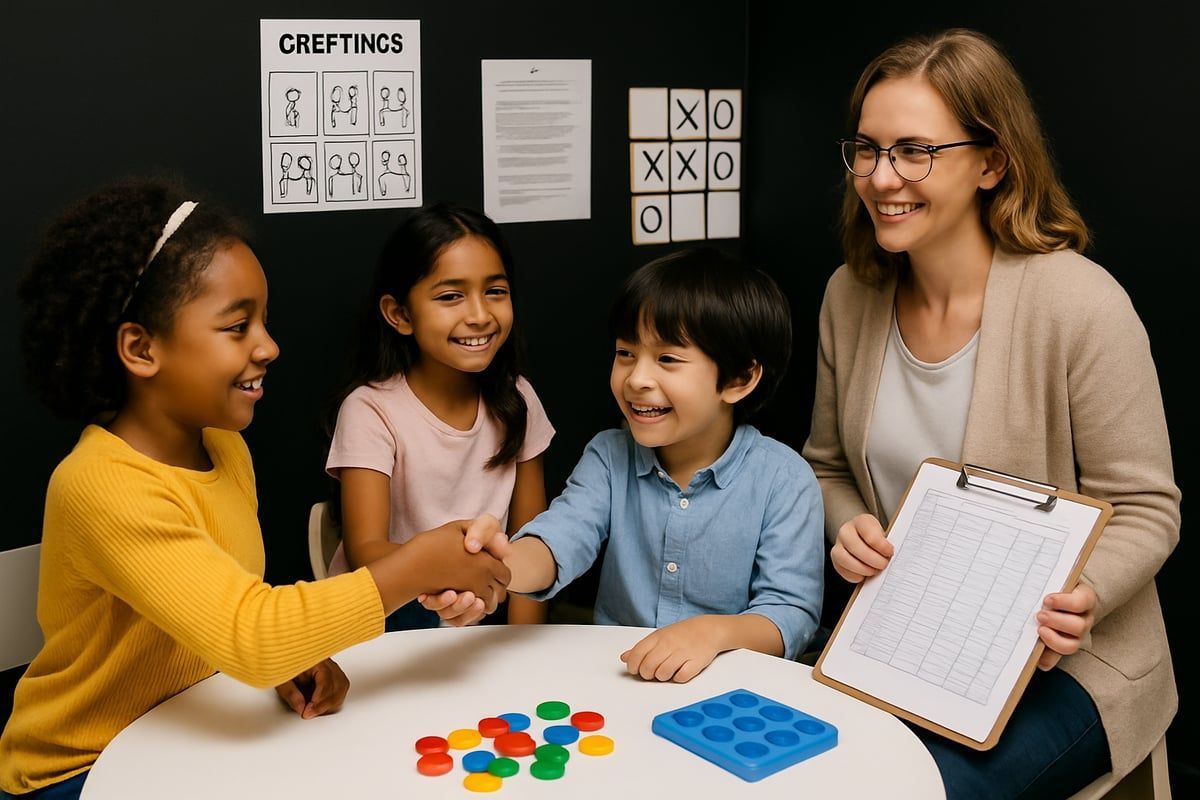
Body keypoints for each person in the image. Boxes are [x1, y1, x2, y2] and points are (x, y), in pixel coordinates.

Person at [0, 182, 510, 799]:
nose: (268, 346)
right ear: (141, 348)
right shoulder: (100, 485)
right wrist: (415, 566)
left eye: (263, 322)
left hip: (185, 739)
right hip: (83, 768)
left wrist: (294, 656)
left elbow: (222, 608)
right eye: (238, 326)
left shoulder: (224, 447)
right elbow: (250, 632)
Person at [803, 28, 1180, 798]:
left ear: (990, 163)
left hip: (1071, 663)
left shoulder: (1081, 304)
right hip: (904, 646)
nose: (881, 177)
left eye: (915, 151)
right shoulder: (850, 294)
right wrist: (846, 526)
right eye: (868, 149)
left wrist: (1085, 596)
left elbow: (1148, 508)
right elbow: (827, 467)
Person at [432, 247, 825, 682]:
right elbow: (560, 540)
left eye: (668, 359)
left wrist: (714, 633)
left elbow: (791, 612)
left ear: (738, 379)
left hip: (731, 697)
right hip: (620, 685)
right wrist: (493, 565)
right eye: (625, 353)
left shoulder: (785, 479)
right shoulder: (608, 456)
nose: (637, 379)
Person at [325, 203, 554, 628]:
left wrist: (526, 649)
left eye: (495, 291)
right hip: (392, 616)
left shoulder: (518, 399)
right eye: (451, 296)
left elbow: (532, 541)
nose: (480, 315)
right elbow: (365, 552)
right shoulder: (370, 410)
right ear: (400, 315)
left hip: (486, 611)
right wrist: (455, 567)